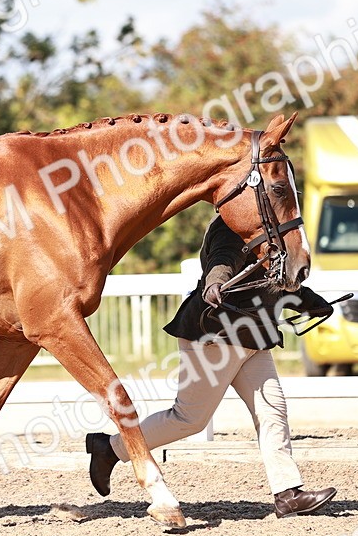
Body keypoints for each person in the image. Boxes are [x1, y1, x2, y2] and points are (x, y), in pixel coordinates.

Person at [86, 215, 338, 518]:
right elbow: (222, 259)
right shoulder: (230, 226)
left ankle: (288, 493)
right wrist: (215, 282)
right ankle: (110, 448)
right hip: (216, 337)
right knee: (188, 419)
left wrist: (310, 301)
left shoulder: (272, 230)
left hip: (253, 337)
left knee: (272, 410)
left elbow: (277, 278)